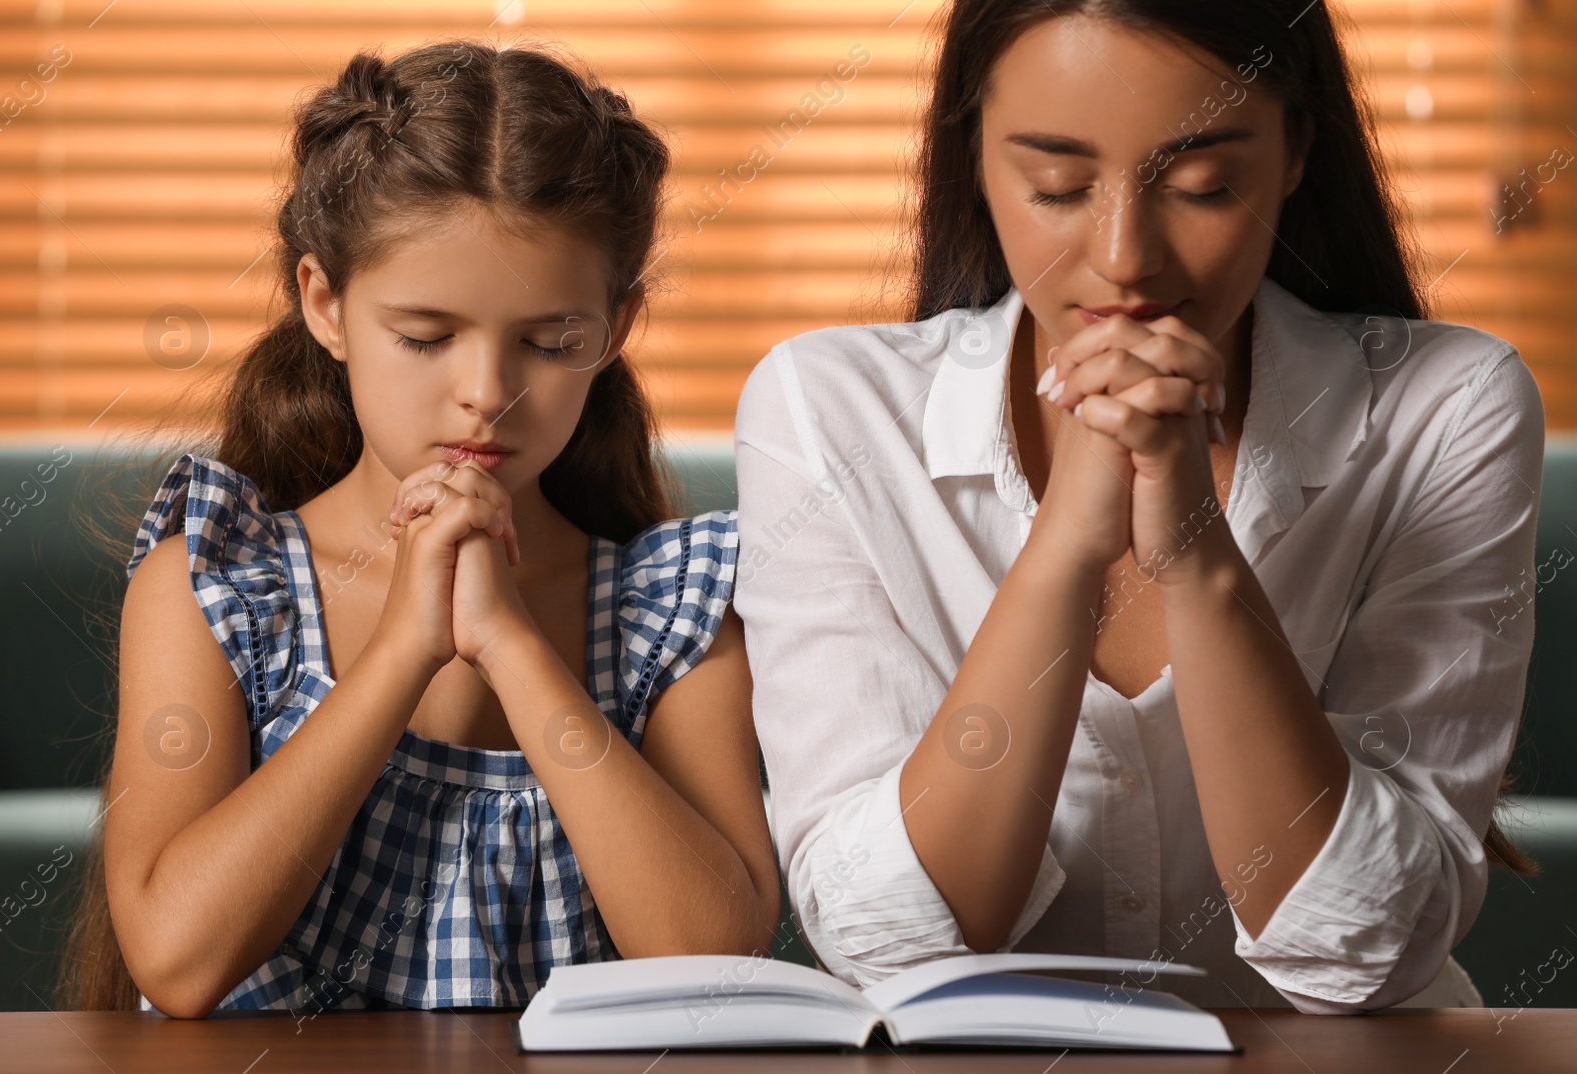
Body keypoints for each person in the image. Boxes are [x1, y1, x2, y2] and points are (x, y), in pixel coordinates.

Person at [734, 0, 1543, 1012]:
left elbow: (1363, 949)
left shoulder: (1448, 405)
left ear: (1296, 152)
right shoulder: (827, 407)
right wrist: (1065, 550)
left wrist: (1198, 561)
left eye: (1203, 186)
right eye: (1057, 187)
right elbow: (889, 943)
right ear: (974, 158)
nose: (1123, 260)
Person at [86, 42, 778, 1018]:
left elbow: (713, 958)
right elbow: (177, 959)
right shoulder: (214, 580)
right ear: (325, 303)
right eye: (424, 337)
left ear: (617, 328)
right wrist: (404, 652)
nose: (486, 395)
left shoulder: (675, 604)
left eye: (550, 343)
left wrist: (509, 644)